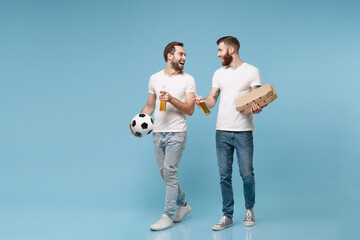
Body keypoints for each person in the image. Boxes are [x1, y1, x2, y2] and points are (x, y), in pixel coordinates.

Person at [196, 36, 263, 230]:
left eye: (220, 50)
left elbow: (258, 100)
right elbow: (211, 100)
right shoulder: (218, 73)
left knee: (247, 174)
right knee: (224, 176)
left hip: (243, 132)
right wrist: (202, 102)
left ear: (231, 50)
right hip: (222, 132)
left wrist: (258, 108)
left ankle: (249, 209)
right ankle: (227, 215)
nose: (218, 54)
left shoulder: (252, 71)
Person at [130, 41, 195, 231]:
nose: (184, 58)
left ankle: (168, 215)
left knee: (170, 171)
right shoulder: (155, 78)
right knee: (164, 173)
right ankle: (183, 205)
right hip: (158, 132)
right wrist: (137, 123)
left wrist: (173, 100)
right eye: (181, 54)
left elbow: (190, 109)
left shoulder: (188, 79)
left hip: (177, 132)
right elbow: (150, 105)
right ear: (169, 56)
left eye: (185, 55)